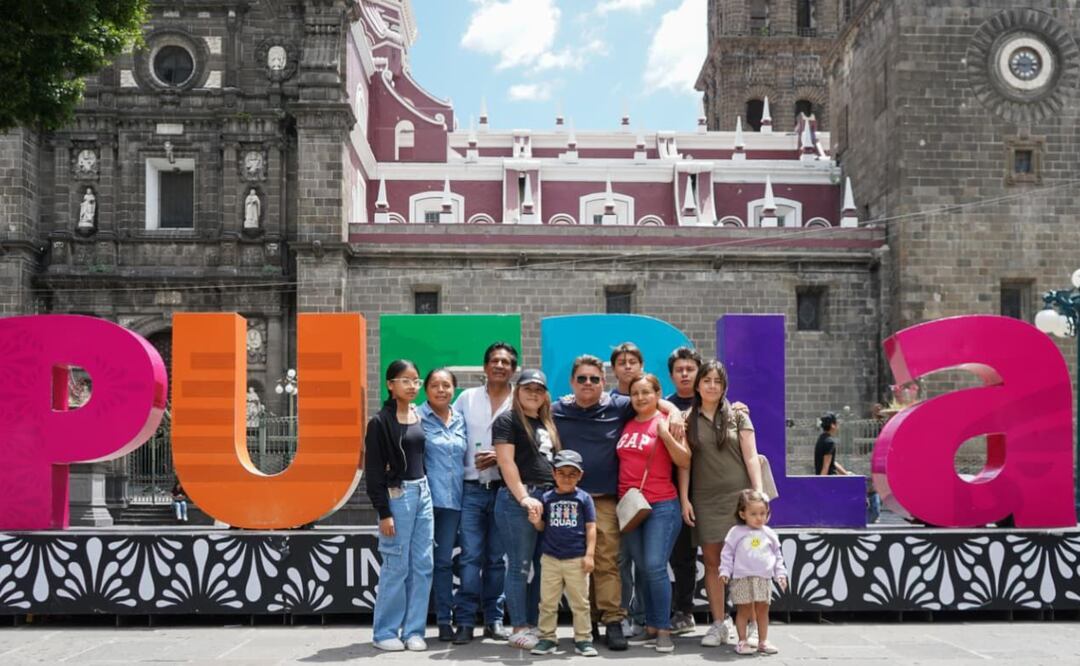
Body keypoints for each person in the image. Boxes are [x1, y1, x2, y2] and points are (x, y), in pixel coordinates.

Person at [551, 354, 685, 652]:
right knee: (570, 565)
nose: (588, 384)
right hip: (568, 500)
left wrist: (673, 411)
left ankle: (613, 621)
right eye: (582, 379)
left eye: (594, 379)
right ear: (572, 382)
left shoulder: (618, 405)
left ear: (604, 383)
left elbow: (649, 399)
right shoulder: (557, 409)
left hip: (608, 501)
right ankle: (586, 624)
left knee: (608, 563)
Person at [680, 359, 765, 648]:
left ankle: (752, 623)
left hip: (738, 499)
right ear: (698, 385)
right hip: (704, 500)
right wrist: (684, 499)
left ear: (724, 385)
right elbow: (685, 464)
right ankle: (719, 623)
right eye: (707, 381)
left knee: (746, 564)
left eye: (717, 381)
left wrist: (758, 494)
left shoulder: (738, 416)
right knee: (714, 564)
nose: (712, 386)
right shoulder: (687, 419)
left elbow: (751, 455)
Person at [364, 359, 434, 652]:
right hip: (398, 495)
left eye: (416, 380)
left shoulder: (420, 415)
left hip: (423, 492)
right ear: (391, 385)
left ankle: (414, 630)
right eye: (405, 380)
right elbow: (375, 472)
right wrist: (384, 512)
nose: (412, 385)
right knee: (396, 564)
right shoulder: (380, 422)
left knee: (423, 564)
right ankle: (384, 632)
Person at [618, 374, 691, 653]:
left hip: (661, 504)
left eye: (646, 392)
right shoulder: (625, 422)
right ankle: (649, 626)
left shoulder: (668, 420)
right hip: (631, 508)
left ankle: (663, 629)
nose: (640, 398)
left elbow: (684, 460)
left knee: (654, 566)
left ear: (658, 394)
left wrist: (664, 434)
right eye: (635, 393)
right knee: (643, 568)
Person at [451, 342, 516, 643]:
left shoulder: (520, 399)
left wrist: (500, 458)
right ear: (485, 366)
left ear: (513, 369)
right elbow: (448, 429)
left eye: (506, 362)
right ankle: (464, 621)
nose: (500, 365)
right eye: (494, 360)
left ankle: (494, 620)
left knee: (496, 560)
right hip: (472, 488)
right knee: (470, 557)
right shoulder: (467, 398)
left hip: (505, 490)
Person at [493, 368, 560, 650]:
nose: (533, 393)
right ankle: (519, 626)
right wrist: (524, 498)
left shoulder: (547, 423)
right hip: (519, 500)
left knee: (543, 567)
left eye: (539, 389)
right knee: (519, 567)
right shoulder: (507, 419)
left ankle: (534, 624)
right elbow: (506, 463)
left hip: (546, 499)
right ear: (517, 391)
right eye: (527, 388)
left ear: (545, 395)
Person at [529, 449, 599, 658]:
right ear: (553, 474)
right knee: (547, 602)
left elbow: (591, 527)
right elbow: (543, 527)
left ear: (580, 475)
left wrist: (589, 555)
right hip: (550, 558)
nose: (567, 478)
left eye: (572, 474)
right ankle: (547, 638)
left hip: (577, 559)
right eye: (562, 473)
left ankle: (584, 639)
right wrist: (535, 521)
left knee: (580, 602)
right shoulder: (547, 497)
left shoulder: (584, 498)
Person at [419, 368, 467, 642]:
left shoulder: (460, 420)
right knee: (418, 563)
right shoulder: (416, 417)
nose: (441, 390)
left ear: (453, 390)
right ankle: (411, 622)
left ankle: (444, 620)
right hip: (423, 502)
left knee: (443, 563)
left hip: (452, 503)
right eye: (435, 385)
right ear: (426, 389)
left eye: (446, 385)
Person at [719, 489, 787, 656]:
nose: (759, 518)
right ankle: (742, 642)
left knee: (763, 610)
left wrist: (781, 574)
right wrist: (725, 571)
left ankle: (762, 641)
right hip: (742, 578)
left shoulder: (769, 534)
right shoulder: (735, 532)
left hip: (763, 579)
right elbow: (727, 553)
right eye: (754, 513)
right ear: (742, 514)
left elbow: (777, 556)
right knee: (744, 611)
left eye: (763, 513)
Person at [609, 342, 647, 638]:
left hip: (649, 494)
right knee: (621, 560)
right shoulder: (607, 401)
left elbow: (670, 408)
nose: (627, 366)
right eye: (621, 362)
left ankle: (643, 616)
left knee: (646, 561)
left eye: (632, 361)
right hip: (616, 493)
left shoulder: (651, 398)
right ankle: (620, 615)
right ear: (613, 369)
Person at [665, 346, 702, 636]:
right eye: (679, 370)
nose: (685, 374)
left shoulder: (715, 403)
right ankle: (682, 611)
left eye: (690, 369)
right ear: (672, 375)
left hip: (712, 491)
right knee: (681, 556)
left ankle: (726, 615)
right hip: (677, 492)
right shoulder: (665, 406)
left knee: (719, 557)